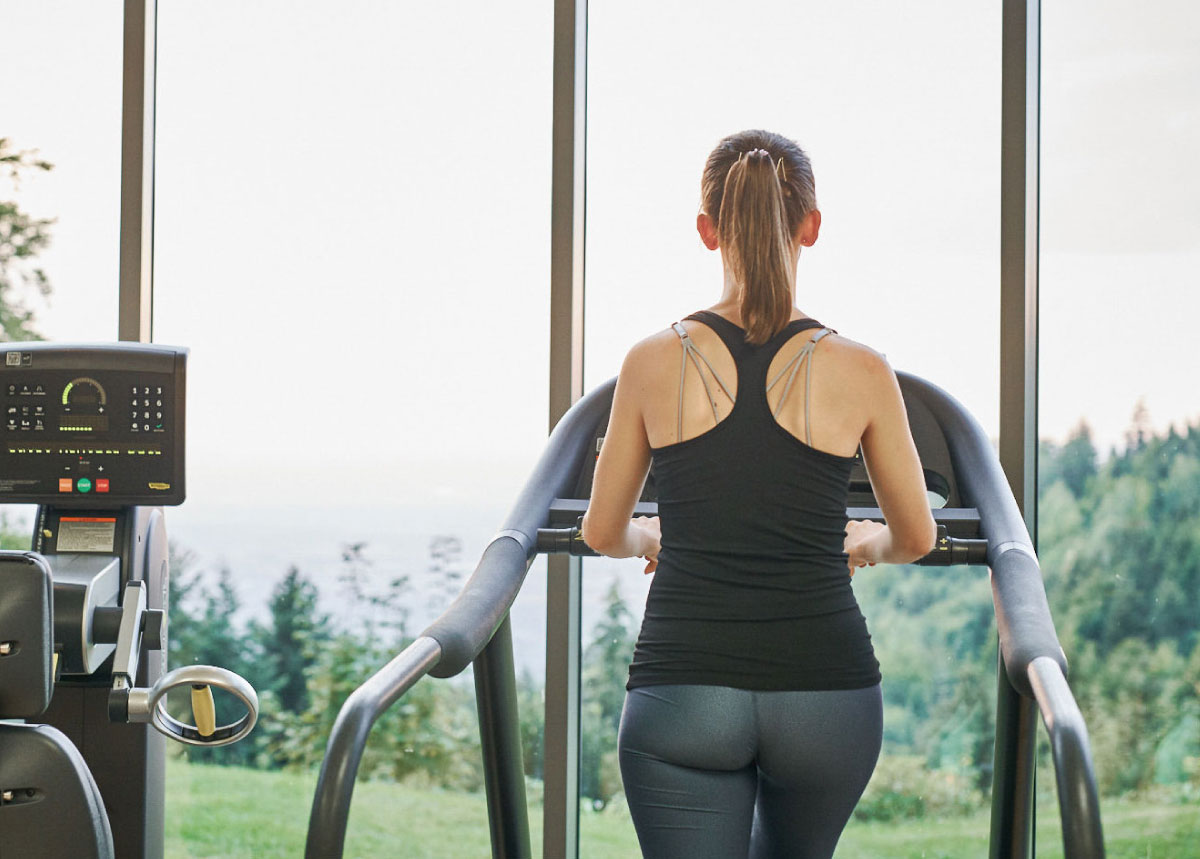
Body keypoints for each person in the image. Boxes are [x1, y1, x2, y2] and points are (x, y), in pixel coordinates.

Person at [580, 129, 937, 859]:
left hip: (684, 694)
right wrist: (865, 542)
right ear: (811, 226)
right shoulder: (864, 370)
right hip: (827, 696)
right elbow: (916, 537)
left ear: (708, 230)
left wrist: (650, 535)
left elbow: (601, 531)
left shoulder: (650, 361)